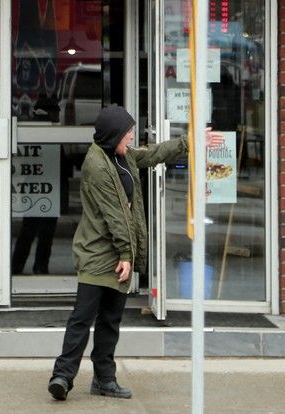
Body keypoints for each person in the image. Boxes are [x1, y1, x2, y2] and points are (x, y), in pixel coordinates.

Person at [47, 104, 223, 401]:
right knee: (82, 318)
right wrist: (126, 256)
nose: (131, 137)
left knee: (110, 321)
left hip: (118, 253)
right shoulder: (96, 165)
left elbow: (152, 154)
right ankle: (62, 376)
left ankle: (104, 380)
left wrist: (189, 142)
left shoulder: (122, 156)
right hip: (97, 254)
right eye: (127, 133)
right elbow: (115, 215)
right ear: (113, 134)